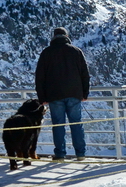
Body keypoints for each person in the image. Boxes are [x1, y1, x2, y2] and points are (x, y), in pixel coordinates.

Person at [35, 27, 91, 161]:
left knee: (58, 125)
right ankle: (81, 154)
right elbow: (85, 74)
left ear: (53, 37)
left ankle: (60, 154)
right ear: (66, 36)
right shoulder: (76, 51)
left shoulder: (46, 53)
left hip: (54, 95)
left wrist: (42, 97)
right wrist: (85, 93)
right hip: (74, 93)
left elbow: (40, 77)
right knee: (76, 123)